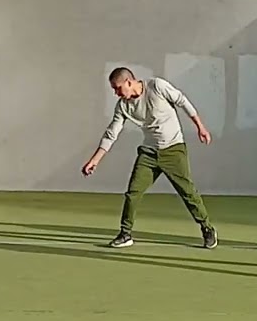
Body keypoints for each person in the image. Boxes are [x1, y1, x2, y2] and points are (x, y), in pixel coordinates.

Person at [82, 67, 218, 250]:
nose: (116, 93)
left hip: (173, 150)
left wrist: (200, 127)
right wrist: (95, 160)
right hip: (149, 154)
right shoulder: (123, 106)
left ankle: (207, 229)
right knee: (133, 193)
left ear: (129, 82)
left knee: (188, 192)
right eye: (114, 90)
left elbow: (182, 101)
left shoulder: (157, 86)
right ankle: (125, 234)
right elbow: (111, 134)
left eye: (117, 88)